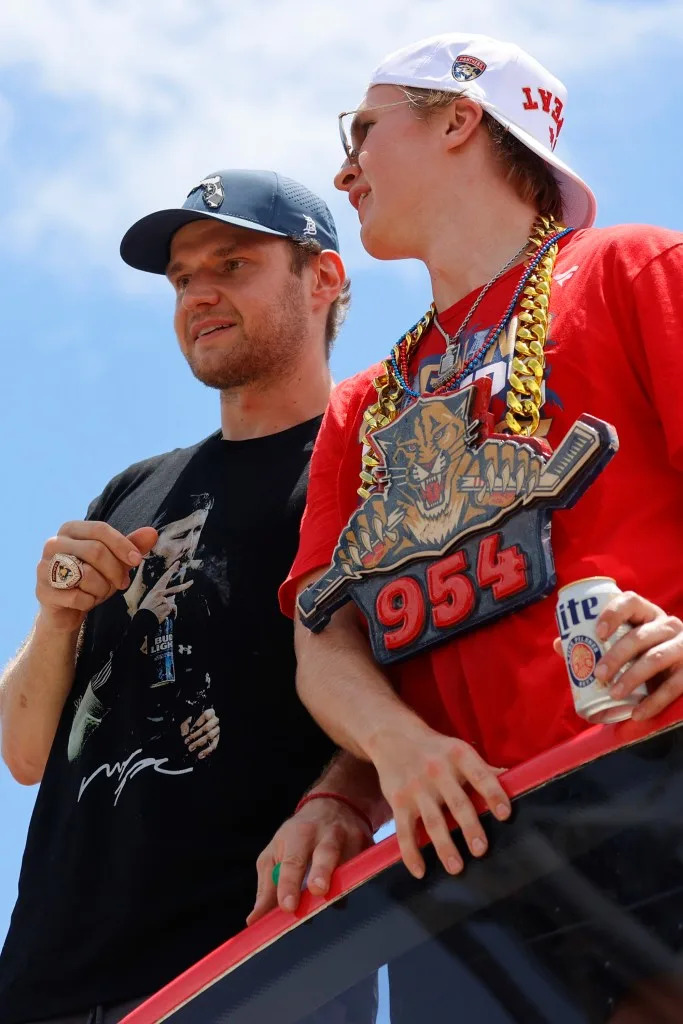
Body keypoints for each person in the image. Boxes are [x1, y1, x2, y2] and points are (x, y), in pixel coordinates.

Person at [280, 33, 683, 887]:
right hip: (479, 866)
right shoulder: (360, 407)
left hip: (661, 780)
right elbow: (323, 636)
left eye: (360, 133)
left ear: (460, 118)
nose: (345, 173)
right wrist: (391, 752)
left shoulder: (631, 268)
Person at [0, 169, 386, 1024]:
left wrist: (341, 799)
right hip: (44, 985)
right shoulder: (133, 489)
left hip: (260, 973)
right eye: (182, 280)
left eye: (232, 265)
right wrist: (59, 615)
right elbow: (25, 753)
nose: (198, 296)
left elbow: (422, 688)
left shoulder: (369, 469)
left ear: (323, 278)